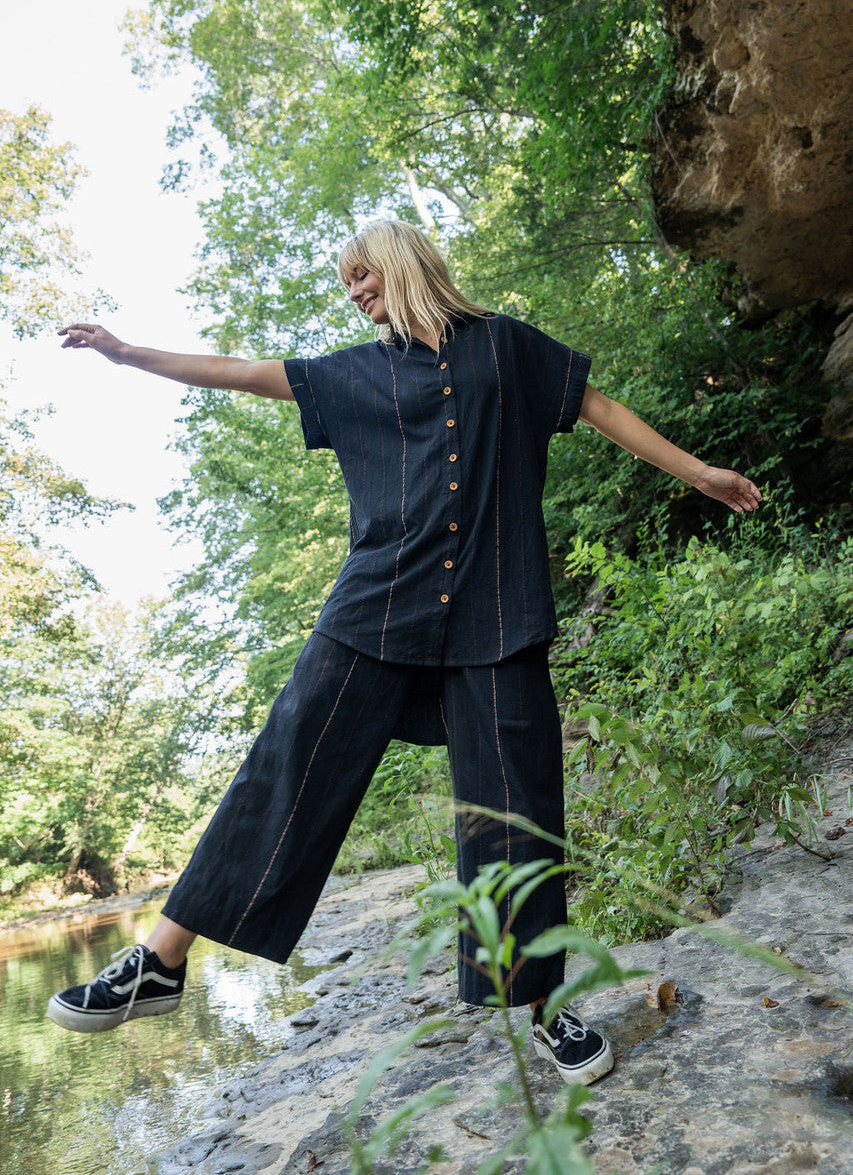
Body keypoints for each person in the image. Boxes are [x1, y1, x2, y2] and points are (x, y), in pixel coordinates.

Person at [47, 219, 761, 1087]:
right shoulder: (356, 373)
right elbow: (241, 372)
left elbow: (596, 409)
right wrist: (129, 354)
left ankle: (540, 1006)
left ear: (401, 262)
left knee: (515, 808)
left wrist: (700, 474)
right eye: (344, 282)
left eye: (361, 274)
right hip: (375, 609)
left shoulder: (505, 349)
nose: (352, 291)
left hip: (500, 614)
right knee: (289, 761)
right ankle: (160, 960)